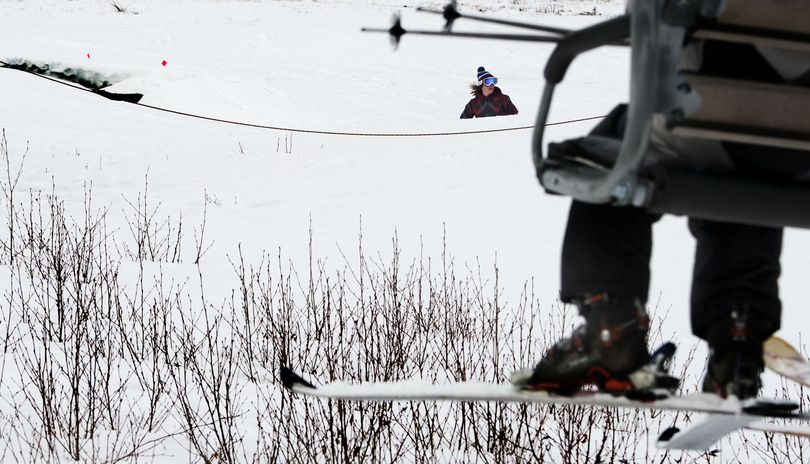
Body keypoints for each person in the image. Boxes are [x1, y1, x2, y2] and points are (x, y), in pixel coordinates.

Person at [514, 40, 810, 400]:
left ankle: (612, 331)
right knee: (748, 175)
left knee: (613, 146)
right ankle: (737, 345)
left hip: (718, 117)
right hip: (800, 148)